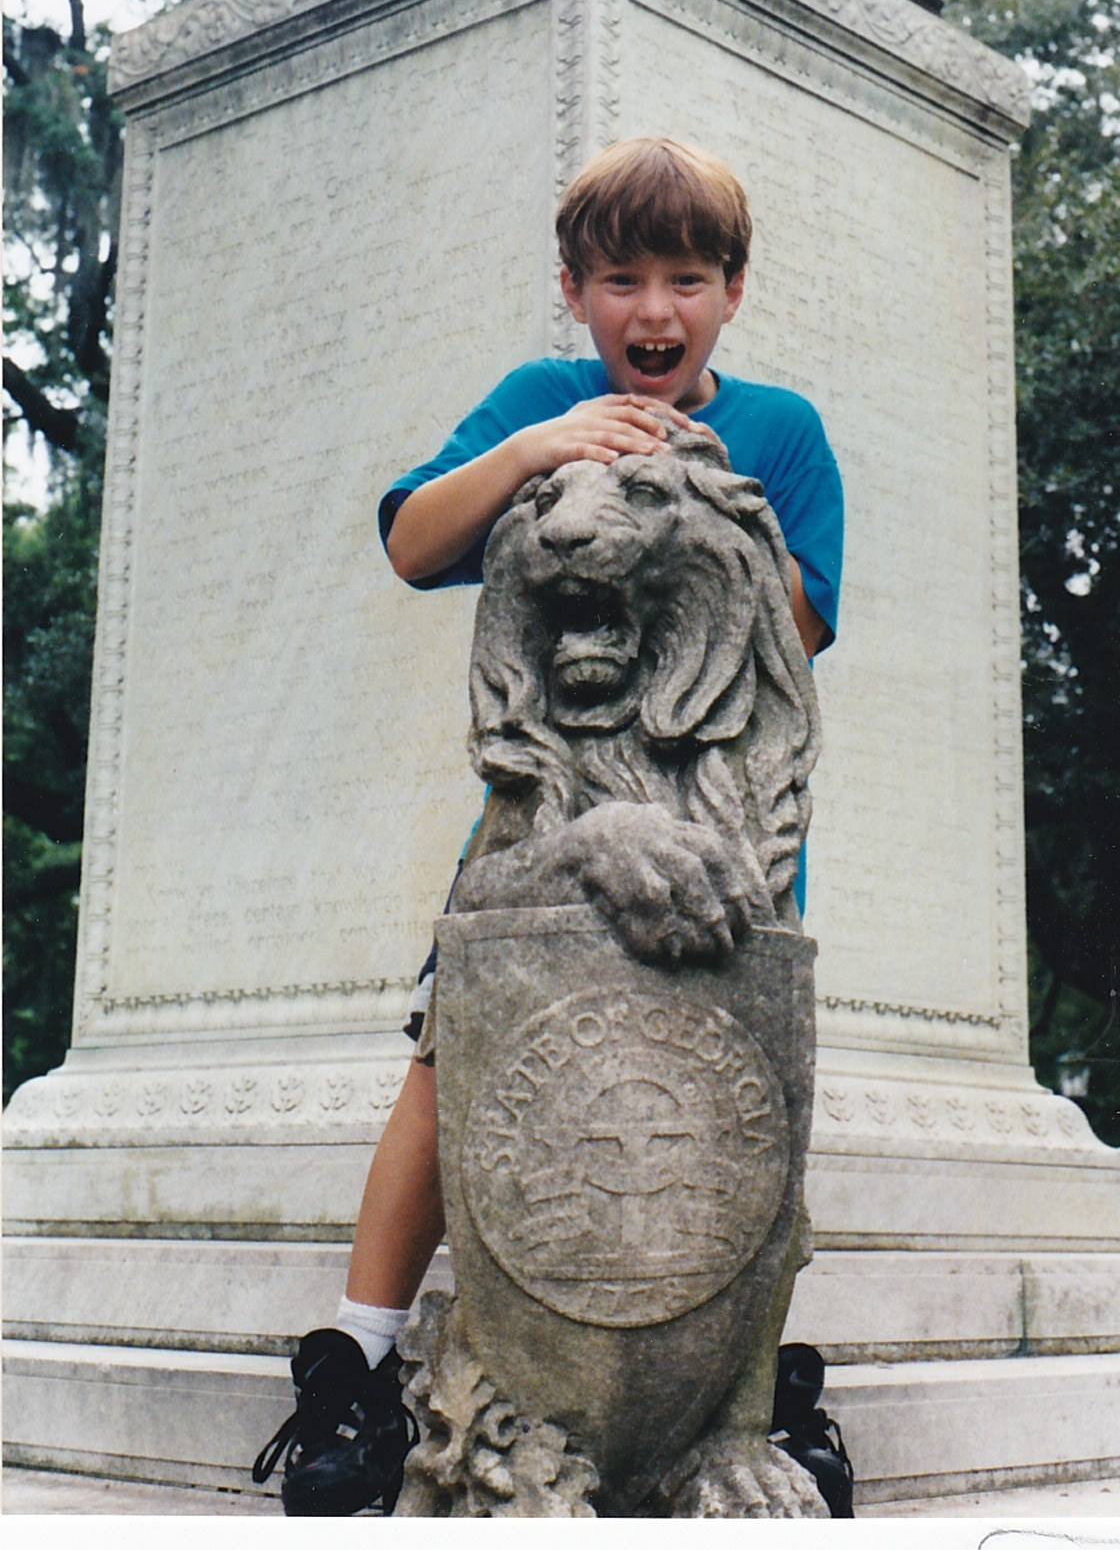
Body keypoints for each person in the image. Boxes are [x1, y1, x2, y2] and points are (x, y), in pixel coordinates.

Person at [252, 137, 844, 1517]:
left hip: (721, 834)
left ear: (732, 291)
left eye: (685, 279)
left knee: (737, 1097)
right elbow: (415, 544)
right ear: (574, 292)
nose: (655, 310)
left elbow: (796, 631)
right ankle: (357, 1360)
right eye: (621, 280)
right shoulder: (539, 403)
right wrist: (537, 453)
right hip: (542, 837)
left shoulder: (784, 432)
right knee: (448, 1066)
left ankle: (743, 1397)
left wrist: (692, 498)